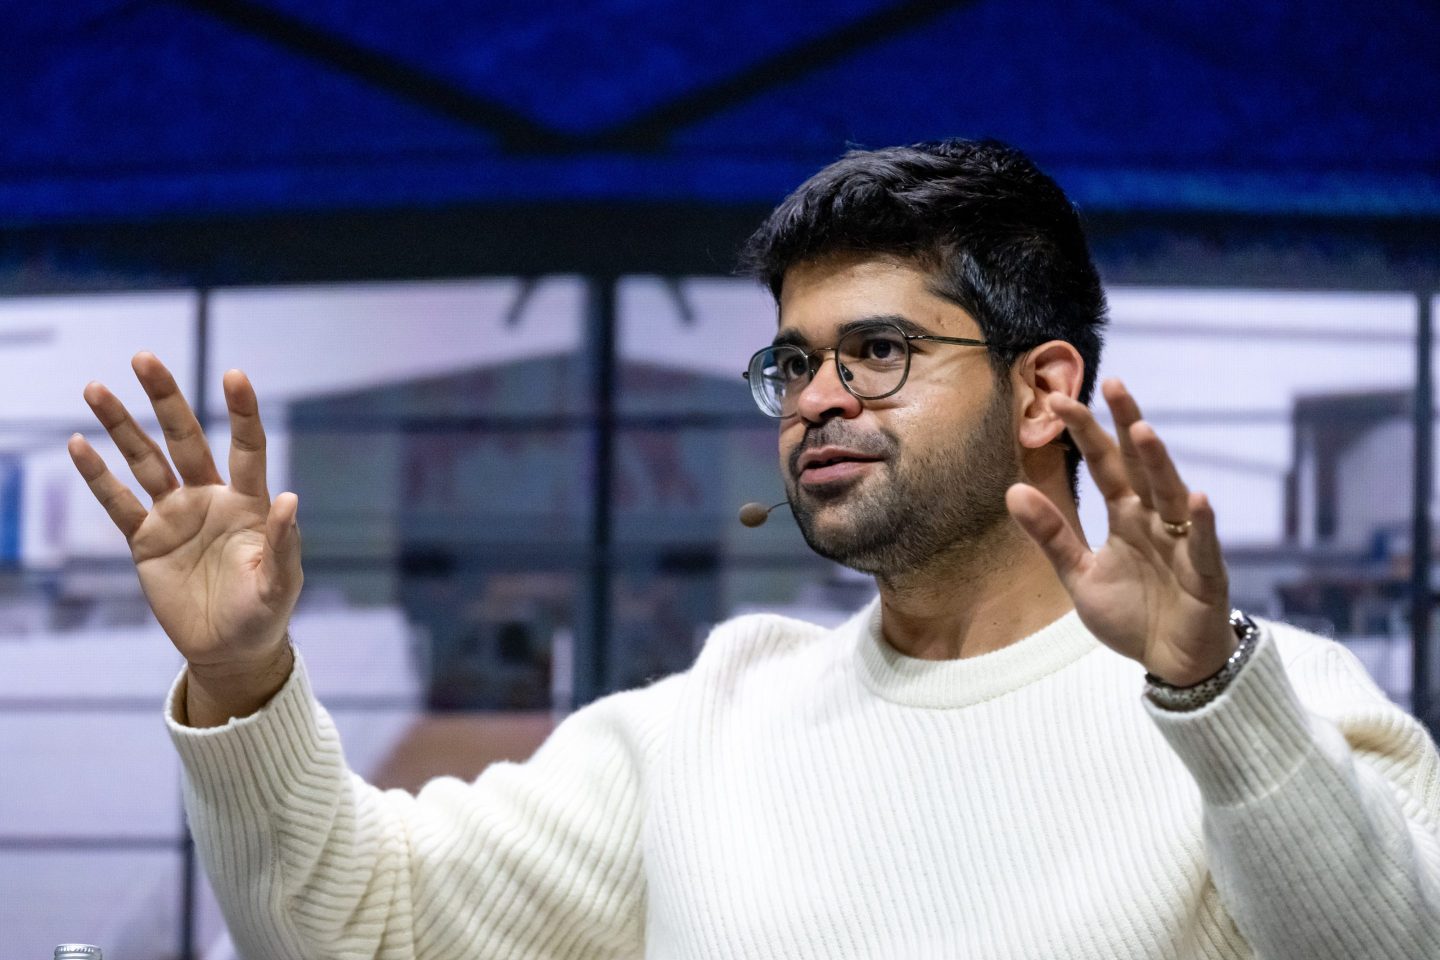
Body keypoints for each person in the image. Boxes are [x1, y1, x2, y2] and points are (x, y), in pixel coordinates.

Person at [70, 139, 1440, 959]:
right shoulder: (715, 720)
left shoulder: (1275, 703)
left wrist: (1212, 696)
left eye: (878, 352)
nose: (817, 399)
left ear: (1042, 391)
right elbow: (361, 928)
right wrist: (248, 679)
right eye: (792, 363)